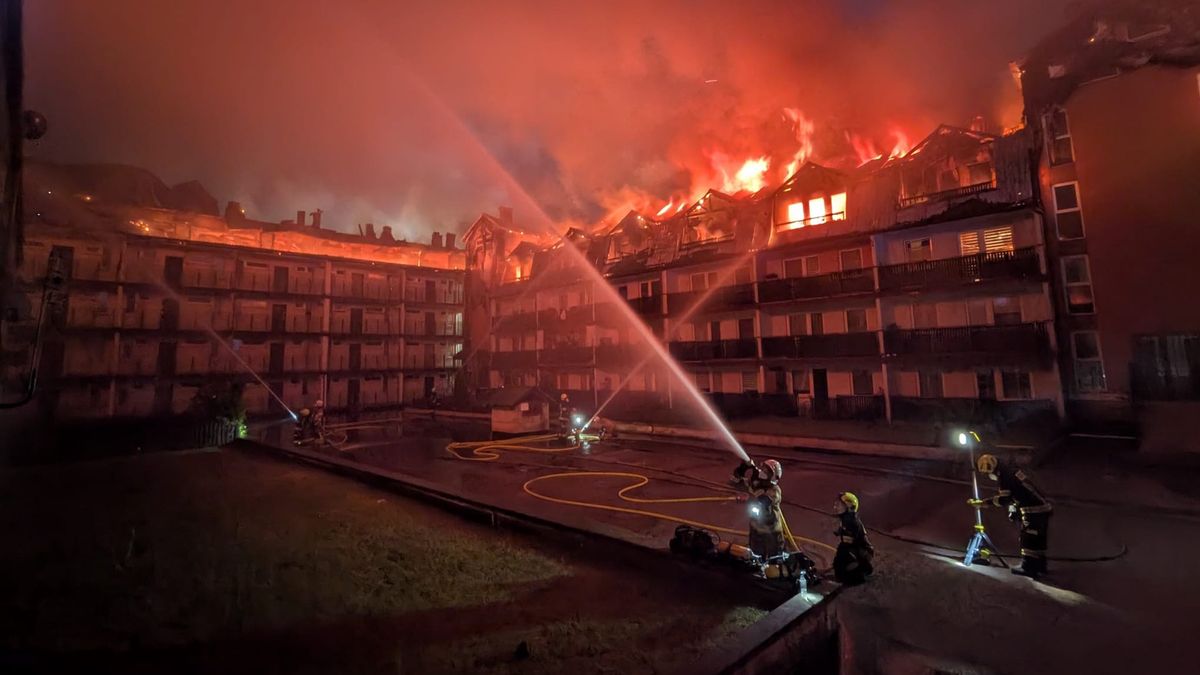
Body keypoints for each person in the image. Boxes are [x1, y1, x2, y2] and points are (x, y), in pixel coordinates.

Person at [970, 453, 1053, 578]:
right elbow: (1016, 494)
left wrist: (983, 503)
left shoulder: (1005, 477)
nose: (989, 475)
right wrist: (1013, 511)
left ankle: (1028, 567)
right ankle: (1040, 566)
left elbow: (1004, 499)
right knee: (1038, 539)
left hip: (1034, 510)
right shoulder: (1010, 471)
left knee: (1028, 538)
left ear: (993, 468)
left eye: (988, 473)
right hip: (1042, 508)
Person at [733, 458, 786, 560]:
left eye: (766, 471)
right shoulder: (756, 484)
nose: (762, 472)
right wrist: (743, 468)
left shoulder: (774, 490)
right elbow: (737, 481)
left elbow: (764, 501)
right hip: (755, 528)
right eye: (763, 469)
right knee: (755, 557)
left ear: (773, 476)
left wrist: (748, 498)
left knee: (774, 559)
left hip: (771, 532)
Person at [832, 491, 875, 584]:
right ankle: (863, 566)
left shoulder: (850, 521)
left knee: (841, 561)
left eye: (839, 505)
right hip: (861, 548)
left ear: (849, 507)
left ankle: (861, 571)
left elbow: (847, 543)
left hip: (864, 551)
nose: (835, 507)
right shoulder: (847, 518)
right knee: (841, 556)